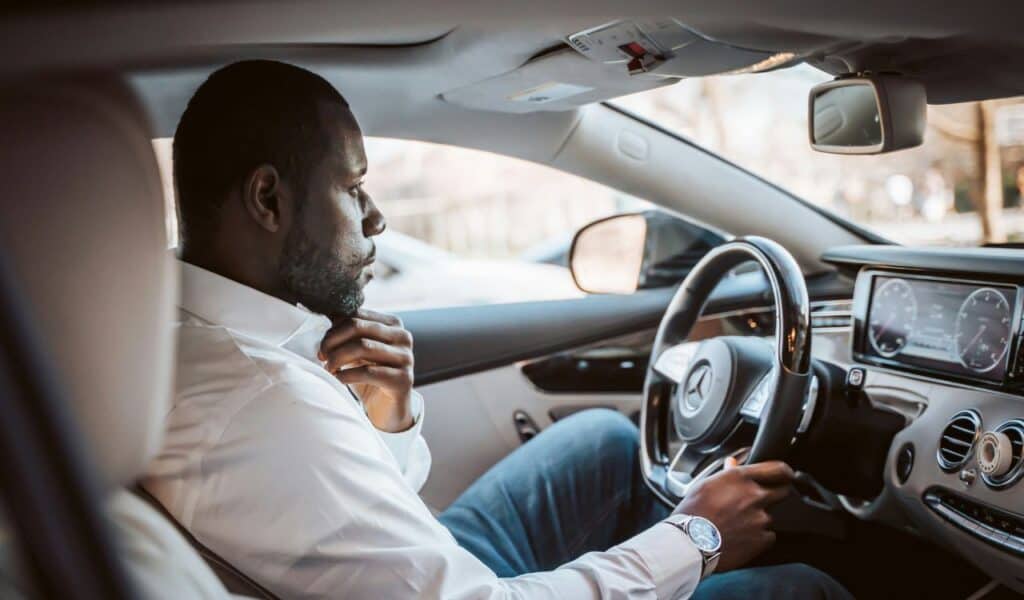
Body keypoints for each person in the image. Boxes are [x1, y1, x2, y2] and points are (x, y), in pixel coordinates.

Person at [143, 59, 852, 600]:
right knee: (805, 590)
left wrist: (387, 422)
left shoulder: (188, 337)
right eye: (354, 189)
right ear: (269, 199)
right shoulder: (262, 400)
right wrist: (696, 538)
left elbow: (346, 516)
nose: (377, 219)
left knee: (604, 443)